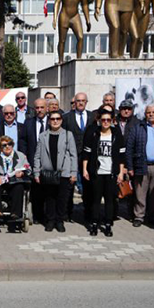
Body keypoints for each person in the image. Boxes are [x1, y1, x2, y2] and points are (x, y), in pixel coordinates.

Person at [82, 109, 126, 237]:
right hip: (97, 172)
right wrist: (85, 169)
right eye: (103, 120)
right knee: (95, 199)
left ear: (112, 121)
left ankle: (108, 224)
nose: (105, 122)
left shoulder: (117, 134)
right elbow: (87, 153)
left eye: (108, 120)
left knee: (109, 200)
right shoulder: (94, 134)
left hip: (111, 172)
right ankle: (94, 223)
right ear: (99, 121)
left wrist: (121, 172)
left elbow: (121, 155)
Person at [126, 104, 154, 227]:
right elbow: (129, 148)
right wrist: (130, 167)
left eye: (153, 112)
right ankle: (139, 217)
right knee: (140, 192)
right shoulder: (137, 127)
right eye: (148, 112)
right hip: (141, 164)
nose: (151, 114)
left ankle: (152, 216)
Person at [34, 111, 77, 232]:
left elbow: (73, 155)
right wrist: (36, 172)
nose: (55, 121)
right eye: (52, 119)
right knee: (50, 198)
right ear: (49, 121)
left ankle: (60, 220)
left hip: (64, 172)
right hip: (48, 172)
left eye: (58, 118)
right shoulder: (43, 136)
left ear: (61, 120)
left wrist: (73, 173)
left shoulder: (68, 135)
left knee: (62, 198)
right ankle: (50, 220)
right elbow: (37, 156)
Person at [0, 136, 29, 226]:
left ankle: (16, 214)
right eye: (4, 145)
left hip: (14, 180)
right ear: (0, 147)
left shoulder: (20, 155)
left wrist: (22, 173)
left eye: (10, 144)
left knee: (19, 187)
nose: (7, 147)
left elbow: (28, 168)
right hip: (0, 180)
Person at [62, 92, 93, 222]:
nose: (80, 103)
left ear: (86, 102)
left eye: (83, 101)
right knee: (69, 184)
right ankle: (67, 213)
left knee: (88, 186)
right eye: (78, 101)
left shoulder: (93, 117)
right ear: (74, 102)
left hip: (88, 158)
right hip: (70, 157)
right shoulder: (67, 117)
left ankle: (88, 213)